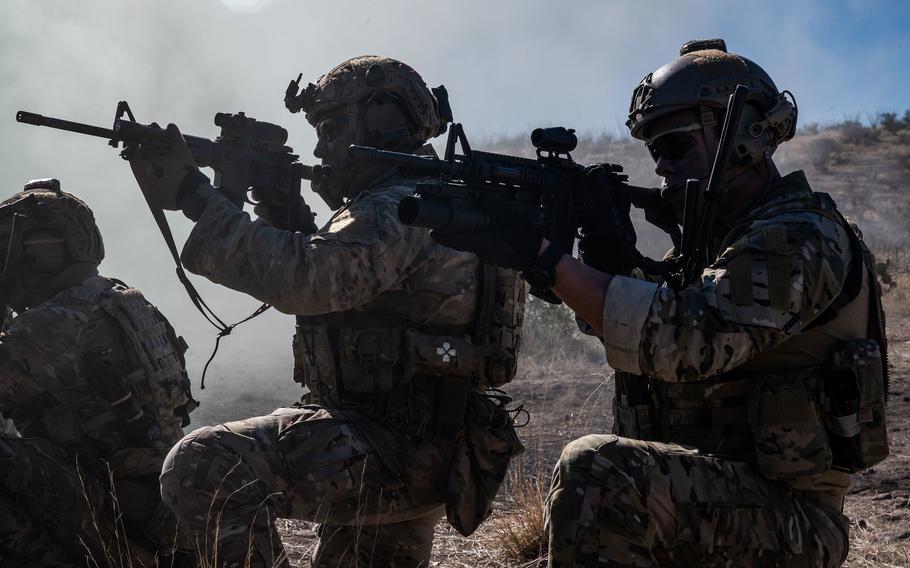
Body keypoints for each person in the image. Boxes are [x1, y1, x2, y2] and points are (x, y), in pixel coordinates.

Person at [431, 40, 889, 567]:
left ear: (742, 137)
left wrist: (543, 258)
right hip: (711, 497)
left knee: (600, 470)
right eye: (655, 153)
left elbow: (688, 340)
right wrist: (600, 260)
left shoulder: (799, 235)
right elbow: (639, 320)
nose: (664, 169)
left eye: (675, 147)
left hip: (795, 520)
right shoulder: (710, 247)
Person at [129, 56, 526, 567]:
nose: (318, 147)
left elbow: (311, 280)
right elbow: (351, 283)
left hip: (390, 449)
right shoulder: (433, 199)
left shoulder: (402, 205)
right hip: (425, 447)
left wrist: (195, 196)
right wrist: (281, 209)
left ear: (384, 121)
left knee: (203, 465)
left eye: (333, 127)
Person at [0, 178, 197, 566]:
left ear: (42, 253)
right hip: (153, 515)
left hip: (112, 517)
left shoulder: (58, 321)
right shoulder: (119, 299)